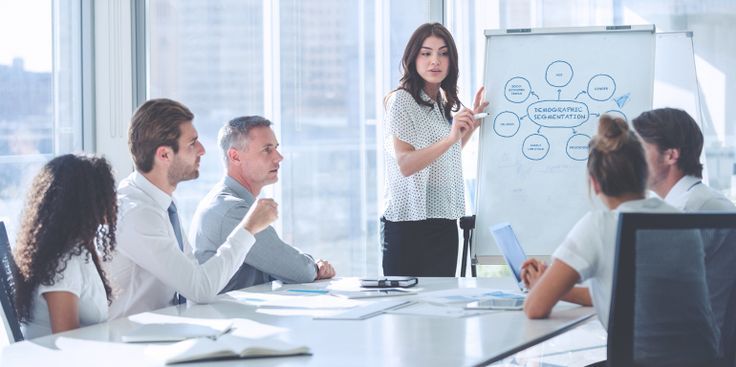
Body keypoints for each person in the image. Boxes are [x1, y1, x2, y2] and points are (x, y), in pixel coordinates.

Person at [108, 98, 278, 318]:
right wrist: (248, 228)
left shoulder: (161, 203)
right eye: (192, 143)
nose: (202, 150)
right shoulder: (137, 213)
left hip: (165, 331)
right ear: (164, 155)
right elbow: (201, 289)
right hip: (132, 341)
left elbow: (194, 278)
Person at [520, 116, 679, 328]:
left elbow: (535, 308)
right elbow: (620, 294)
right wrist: (551, 285)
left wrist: (541, 286)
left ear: (595, 184)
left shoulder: (600, 224)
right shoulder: (679, 219)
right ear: (644, 174)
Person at [381, 22, 488, 276]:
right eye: (426, 53)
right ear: (413, 58)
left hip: (443, 220)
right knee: (408, 310)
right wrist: (450, 138)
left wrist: (468, 127)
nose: (435, 61)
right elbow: (406, 164)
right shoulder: (400, 101)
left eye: (443, 53)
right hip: (409, 225)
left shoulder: (439, 101)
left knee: (442, 309)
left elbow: (443, 158)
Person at [190, 116, 335, 292]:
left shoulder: (229, 201)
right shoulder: (232, 209)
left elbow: (281, 260)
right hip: (229, 317)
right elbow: (298, 270)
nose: (279, 157)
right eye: (267, 150)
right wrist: (315, 267)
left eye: (276, 148)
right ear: (235, 156)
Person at [633, 107, 736, 352]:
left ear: (670, 155)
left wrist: (561, 289)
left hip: (687, 350)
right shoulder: (695, 200)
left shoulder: (688, 210)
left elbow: (637, 292)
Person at [13, 154, 117, 338]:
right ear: (88, 201)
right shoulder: (64, 262)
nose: (114, 199)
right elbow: (68, 342)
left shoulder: (76, 250)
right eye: (108, 192)